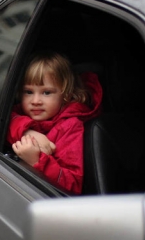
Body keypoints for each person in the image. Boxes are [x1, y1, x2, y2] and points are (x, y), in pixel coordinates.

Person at [7, 52, 103, 194]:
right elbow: (6, 121)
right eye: (28, 92)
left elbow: (72, 185)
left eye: (46, 93)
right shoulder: (18, 112)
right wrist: (27, 131)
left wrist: (36, 160)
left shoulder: (71, 127)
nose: (35, 101)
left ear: (66, 95)